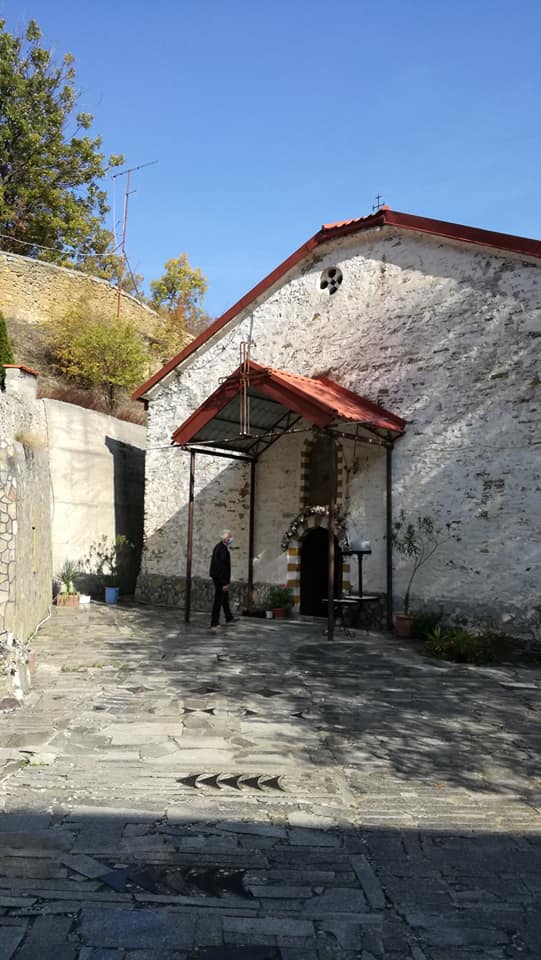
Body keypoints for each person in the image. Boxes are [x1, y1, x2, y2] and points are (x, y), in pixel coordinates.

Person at [209, 530, 237, 632]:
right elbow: (221, 567)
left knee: (224, 598)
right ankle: (214, 623)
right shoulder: (222, 550)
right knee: (218, 600)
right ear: (225, 539)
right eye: (230, 537)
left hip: (219, 578)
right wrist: (224, 583)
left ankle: (229, 617)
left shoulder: (220, 547)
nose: (231, 538)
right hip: (220, 579)